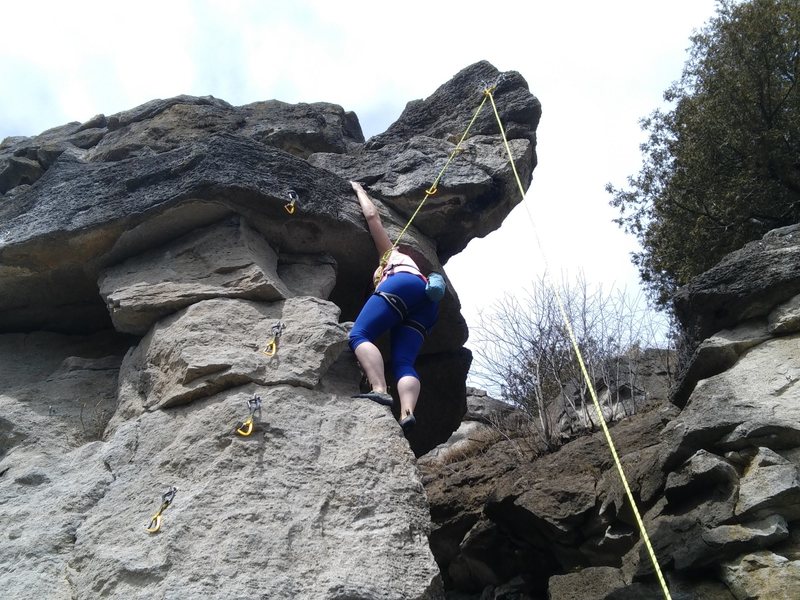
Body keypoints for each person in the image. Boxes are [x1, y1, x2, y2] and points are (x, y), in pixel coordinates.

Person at [348, 181, 440, 431]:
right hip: (427, 304)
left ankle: (379, 389)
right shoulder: (418, 270)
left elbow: (371, 216)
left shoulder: (390, 255)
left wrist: (359, 190)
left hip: (402, 285)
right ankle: (407, 412)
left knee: (359, 334)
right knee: (404, 363)